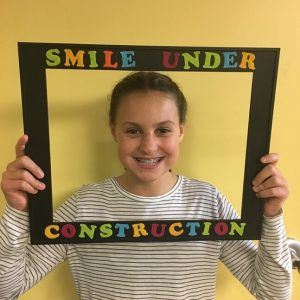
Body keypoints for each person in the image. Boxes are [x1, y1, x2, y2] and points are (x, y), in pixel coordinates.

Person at [0, 71, 292, 299]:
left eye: (163, 130)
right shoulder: (83, 205)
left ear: (181, 131)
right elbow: (6, 289)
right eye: (133, 130)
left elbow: (272, 294)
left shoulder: (207, 201)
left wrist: (271, 216)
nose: (149, 146)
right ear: (114, 130)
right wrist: (15, 211)